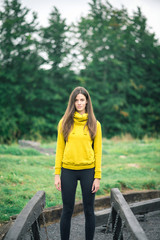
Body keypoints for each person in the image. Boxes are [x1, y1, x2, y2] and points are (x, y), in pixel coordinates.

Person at [54, 86, 102, 240]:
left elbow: (98, 152)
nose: (79, 103)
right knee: (67, 210)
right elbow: (59, 149)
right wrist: (57, 174)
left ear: (87, 101)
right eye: (76, 100)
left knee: (89, 210)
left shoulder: (95, 124)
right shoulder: (64, 123)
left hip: (88, 170)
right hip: (68, 171)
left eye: (82, 100)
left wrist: (97, 177)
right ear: (72, 102)